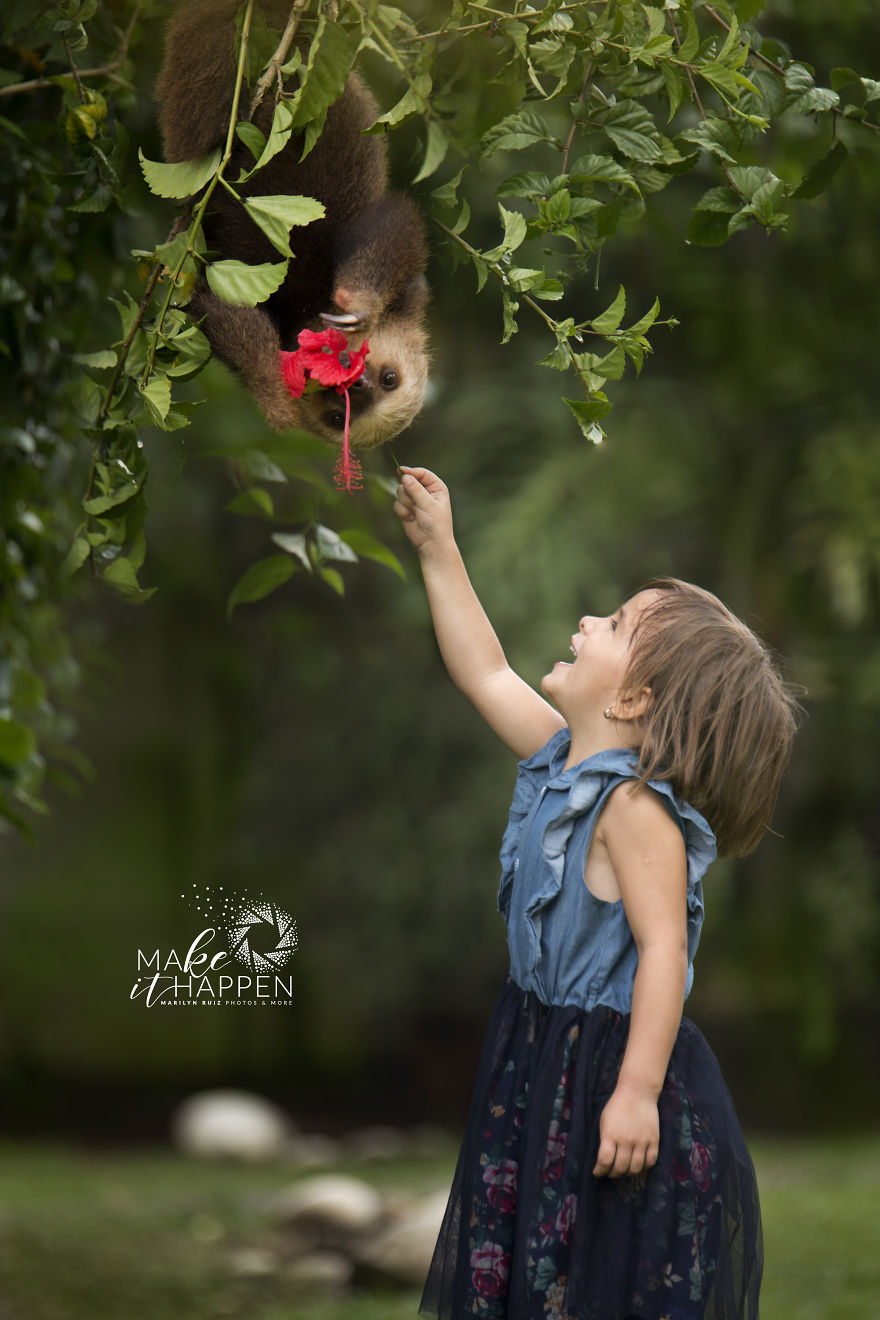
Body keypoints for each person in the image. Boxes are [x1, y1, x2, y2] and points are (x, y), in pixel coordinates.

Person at [392, 464, 802, 1320]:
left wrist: (638, 1091)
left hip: (612, 1074)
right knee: (537, 1273)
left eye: (613, 624)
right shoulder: (560, 759)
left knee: (599, 1284)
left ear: (635, 696)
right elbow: (485, 671)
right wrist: (440, 548)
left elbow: (665, 951)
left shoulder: (633, 809)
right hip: (544, 1056)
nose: (587, 619)